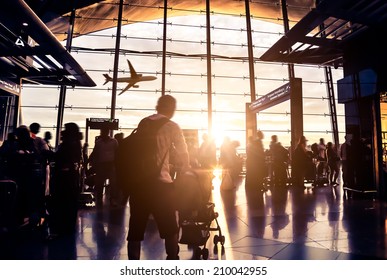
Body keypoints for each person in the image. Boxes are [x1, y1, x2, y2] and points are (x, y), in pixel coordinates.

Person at [127, 94, 189, 260]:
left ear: (157, 106)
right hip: (161, 185)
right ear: (171, 108)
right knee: (170, 228)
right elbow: (184, 154)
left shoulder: (144, 122)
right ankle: (172, 259)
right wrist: (184, 169)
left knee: (135, 229)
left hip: (139, 185)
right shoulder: (172, 126)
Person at [50, 123, 83, 236]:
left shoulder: (68, 144)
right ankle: (68, 227)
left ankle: (61, 227)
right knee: (70, 202)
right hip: (72, 178)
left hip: (64, 178)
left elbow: (61, 158)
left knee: (63, 201)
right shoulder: (77, 144)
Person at [89, 127, 119, 207]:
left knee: (111, 183)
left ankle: (107, 199)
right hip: (103, 164)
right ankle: (103, 199)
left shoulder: (113, 142)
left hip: (109, 164)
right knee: (101, 183)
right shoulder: (100, 142)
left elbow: (117, 153)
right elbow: (95, 152)